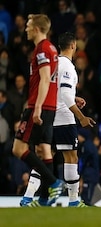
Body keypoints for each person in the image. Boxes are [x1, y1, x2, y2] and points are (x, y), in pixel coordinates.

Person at [20, 32, 96, 207]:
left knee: (45, 158)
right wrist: (82, 117)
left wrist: (73, 97)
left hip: (48, 116)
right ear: (73, 45)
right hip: (64, 118)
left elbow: (52, 88)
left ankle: (27, 198)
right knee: (71, 157)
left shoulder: (52, 63)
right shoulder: (68, 67)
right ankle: (73, 200)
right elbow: (67, 96)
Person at [12, 14, 64, 207]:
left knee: (18, 149)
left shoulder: (42, 49)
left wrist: (37, 107)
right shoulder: (51, 48)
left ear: (35, 29)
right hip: (49, 105)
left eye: (28, 26)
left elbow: (44, 78)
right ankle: (43, 199)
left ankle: (53, 182)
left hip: (39, 105)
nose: (25, 29)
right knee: (43, 149)